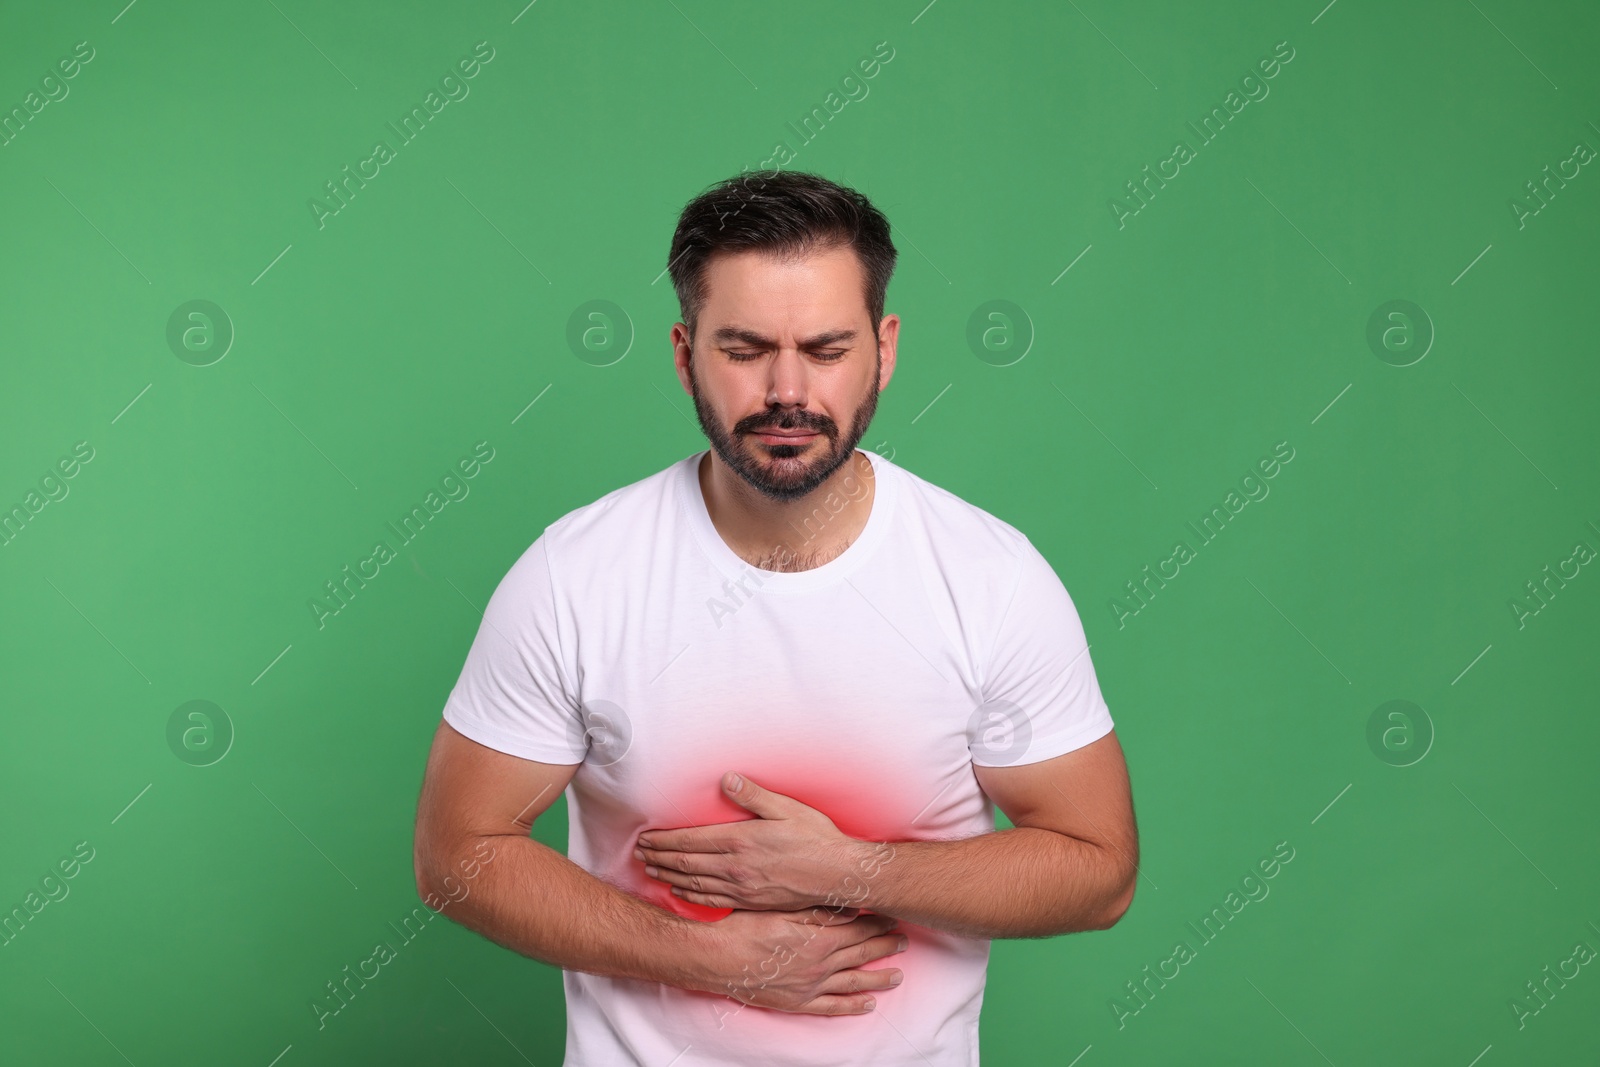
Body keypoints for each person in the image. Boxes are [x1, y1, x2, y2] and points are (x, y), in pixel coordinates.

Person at [412, 169, 1139, 1066]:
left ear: (886, 347)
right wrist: (708, 958)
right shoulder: (576, 575)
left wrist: (844, 870)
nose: (787, 390)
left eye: (827, 350)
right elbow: (458, 853)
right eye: (745, 349)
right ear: (685, 354)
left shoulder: (991, 579)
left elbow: (1098, 869)